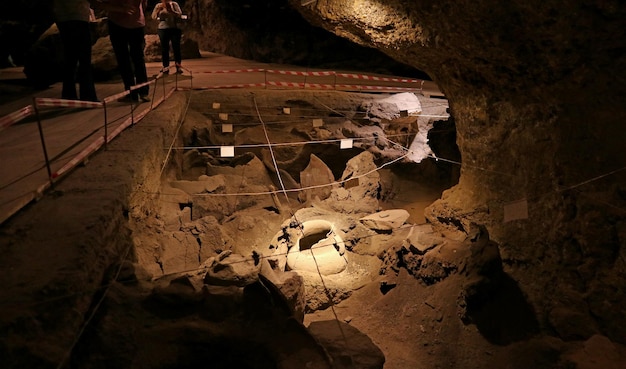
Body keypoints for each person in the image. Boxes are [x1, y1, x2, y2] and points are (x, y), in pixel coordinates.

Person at [95, 0, 150, 102]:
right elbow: (144, 4)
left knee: (124, 59)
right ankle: (142, 92)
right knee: (137, 59)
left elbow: (101, 4)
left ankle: (131, 92)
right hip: (136, 23)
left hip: (119, 23)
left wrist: (120, 9)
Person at [53, 0, 99, 102]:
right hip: (78, 17)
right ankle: (88, 95)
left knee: (70, 58)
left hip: (62, 18)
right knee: (84, 59)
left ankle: (68, 94)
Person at [151, 0, 183, 74]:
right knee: (164, 48)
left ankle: (178, 67)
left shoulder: (174, 4)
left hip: (174, 28)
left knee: (176, 47)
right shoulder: (158, 6)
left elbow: (179, 15)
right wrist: (158, 11)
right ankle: (166, 67)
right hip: (163, 29)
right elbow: (153, 17)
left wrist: (171, 10)